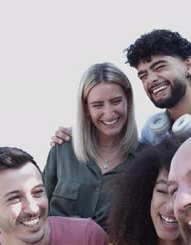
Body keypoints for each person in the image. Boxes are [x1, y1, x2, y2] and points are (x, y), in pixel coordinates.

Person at [50, 30, 191, 146]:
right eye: (143, 75)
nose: (152, 80)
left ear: (188, 65)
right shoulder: (151, 132)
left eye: (160, 67)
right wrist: (78, 135)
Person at [43, 62, 139, 230]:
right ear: (86, 108)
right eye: (98, 105)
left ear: (128, 101)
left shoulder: (144, 160)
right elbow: (39, 209)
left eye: (116, 101)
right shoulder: (62, 150)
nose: (108, 113)